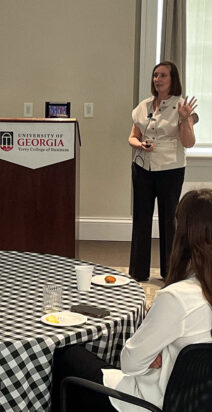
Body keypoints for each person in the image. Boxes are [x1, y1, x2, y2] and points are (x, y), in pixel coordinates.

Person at [51, 188, 212, 412]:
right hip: (195, 403)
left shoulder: (177, 298)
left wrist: (153, 349)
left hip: (147, 403)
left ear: (183, 235)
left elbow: (129, 363)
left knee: (65, 354)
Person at [128, 61, 197, 281]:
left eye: (163, 76)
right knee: (141, 218)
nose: (158, 79)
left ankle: (171, 273)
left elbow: (188, 143)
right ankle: (138, 272)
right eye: (155, 75)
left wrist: (185, 119)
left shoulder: (182, 106)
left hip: (170, 170)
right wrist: (140, 145)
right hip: (142, 168)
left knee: (169, 220)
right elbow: (132, 136)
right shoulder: (144, 106)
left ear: (172, 79)